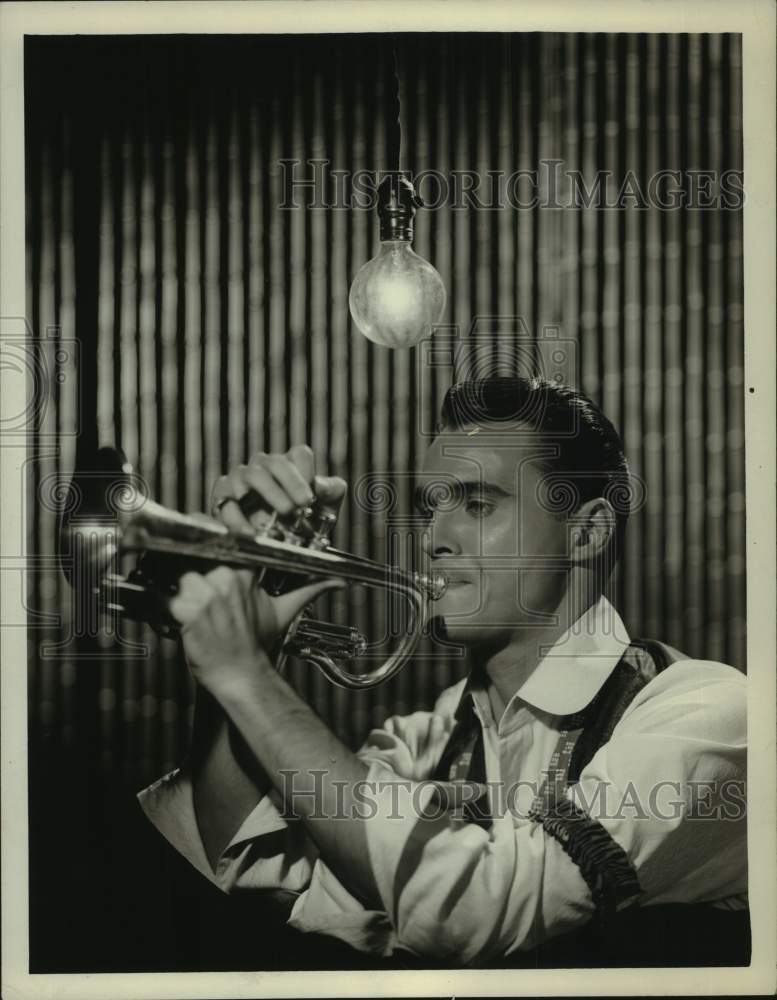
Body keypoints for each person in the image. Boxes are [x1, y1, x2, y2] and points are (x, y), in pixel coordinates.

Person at [138, 376, 748, 967]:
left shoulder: (704, 713)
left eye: (478, 504)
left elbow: (477, 909)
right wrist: (233, 657)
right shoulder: (424, 741)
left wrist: (248, 677)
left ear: (586, 532)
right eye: (433, 506)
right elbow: (257, 869)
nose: (433, 537)